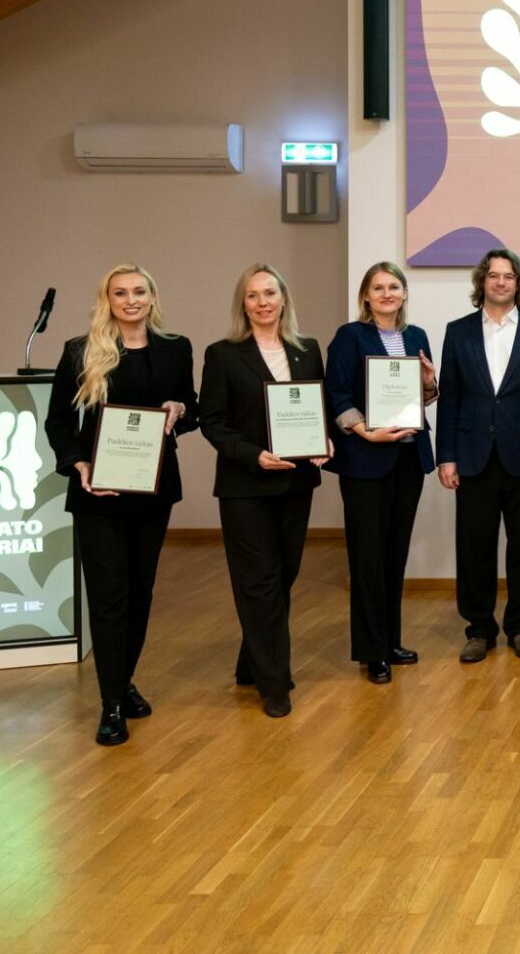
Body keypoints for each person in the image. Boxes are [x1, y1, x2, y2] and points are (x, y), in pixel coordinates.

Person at [45, 263, 196, 746]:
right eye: (120, 293)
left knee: (140, 593)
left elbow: (188, 406)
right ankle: (111, 703)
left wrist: (180, 409)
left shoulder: (176, 348)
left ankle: (123, 679)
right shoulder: (80, 350)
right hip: (99, 494)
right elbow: (58, 422)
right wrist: (77, 464)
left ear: (152, 297)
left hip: (153, 490)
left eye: (138, 291)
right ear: (106, 300)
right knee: (109, 597)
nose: (130, 300)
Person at [200, 263, 330, 718]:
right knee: (259, 581)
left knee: (284, 574)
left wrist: (324, 439)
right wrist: (253, 455)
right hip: (245, 485)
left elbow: (318, 408)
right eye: (253, 295)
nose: (262, 302)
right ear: (243, 303)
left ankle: (251, 663)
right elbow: (212, 422)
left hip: (296, 482)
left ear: (283, 298)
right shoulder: (223, 355)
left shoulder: (307, 350)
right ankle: (275, 682)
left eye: (270, 293)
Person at [438, 247, 520, 663]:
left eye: (509, 276)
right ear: (482, 281)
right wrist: (446, 456)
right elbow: (449, 398)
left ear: (518, 283)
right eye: (494, 275)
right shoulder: (458, 331)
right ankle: (479, 629)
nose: (501, 282)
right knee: (474, 546)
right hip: (472, 457)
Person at [324, 262, 437, 685]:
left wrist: (429, 382)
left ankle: (390, 641)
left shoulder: (416, 336)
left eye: (393, 286)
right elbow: (336, 393)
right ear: (366, 297)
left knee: (394, 554)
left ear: (404, 293)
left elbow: (421, 398)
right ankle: (372, 651)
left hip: (408, 461)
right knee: (367, 558)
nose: (386, 293)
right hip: (364, 461)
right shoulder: (350, 336)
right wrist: (364, 431)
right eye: (378, 287)